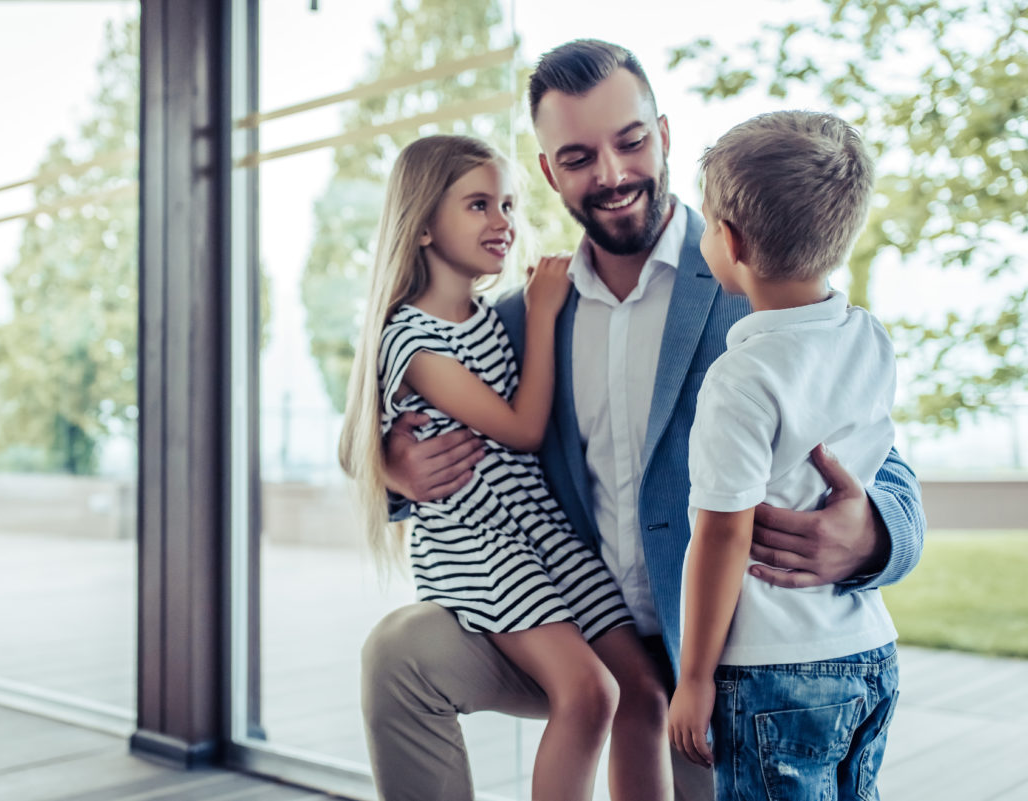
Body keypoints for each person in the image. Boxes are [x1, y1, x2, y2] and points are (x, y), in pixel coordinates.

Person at [363, 40, 925, 801]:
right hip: (573, 616)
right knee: (398, 652)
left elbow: (885, 463)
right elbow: (428, 402)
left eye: (630, 142)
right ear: (548, 172)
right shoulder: (526, 314)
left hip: (721, 648)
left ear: (664, 134)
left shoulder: (757, 276)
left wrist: (873, 534)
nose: (613, 173)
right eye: (579, 156)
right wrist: (395, 466)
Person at [339, 133, 671, 801]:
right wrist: (545, 314)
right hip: (482, 546)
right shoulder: (413, 334)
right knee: (587, 693)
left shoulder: (492, 317)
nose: (503, 223)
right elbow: (519, 429)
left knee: (644, 690)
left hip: (546, 536)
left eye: (509, 205)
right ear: (424, 224)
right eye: (479, 205)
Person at [668, 111, 901, 800]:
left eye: (708, 223)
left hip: (772, 671)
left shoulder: (741, 376)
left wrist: (693, 677)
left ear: (731, 241)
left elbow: (721, 534)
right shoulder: (869, 337)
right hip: (867, 652)